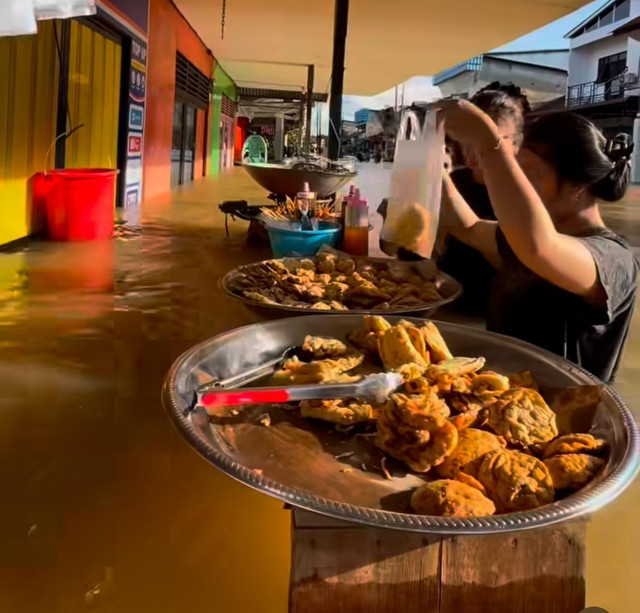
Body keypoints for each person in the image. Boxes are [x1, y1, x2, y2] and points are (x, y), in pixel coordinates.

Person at [436, 100, 638, 382]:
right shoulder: (523, 242)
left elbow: (539, 247)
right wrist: (434, 169)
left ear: (578, 185)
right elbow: (465, 225)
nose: (521, 183)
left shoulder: (613, 259)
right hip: (502, 400)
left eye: (531, 172)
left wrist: (488, 140)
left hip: (558, 419)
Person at [437, 85, 530, 314]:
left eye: (494, 138)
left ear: (517, 142)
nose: (477, 148)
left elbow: (518, 266)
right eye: (471, 137)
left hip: (495, 319)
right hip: (442, 308)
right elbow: (409, 251)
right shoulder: (455, 180)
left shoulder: (529, 196)